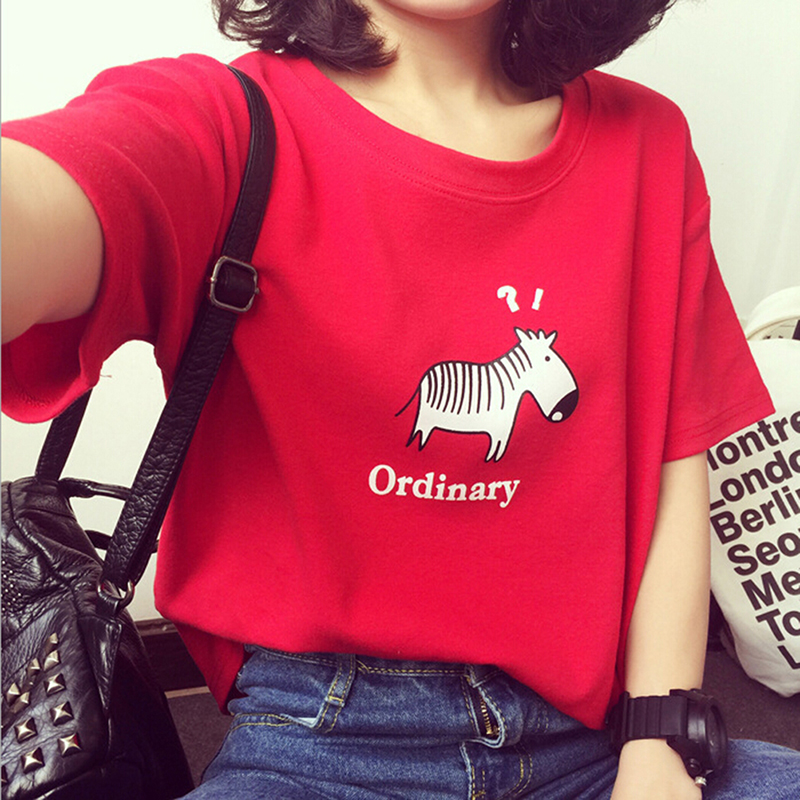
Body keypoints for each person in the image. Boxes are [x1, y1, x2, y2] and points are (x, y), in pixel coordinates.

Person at [2, 1, 799, 797]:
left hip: (596, 740)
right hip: (314, 746)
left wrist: (660, 743)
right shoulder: (217, 123)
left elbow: (671, 463)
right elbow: (42, 198)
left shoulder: (648, 143)